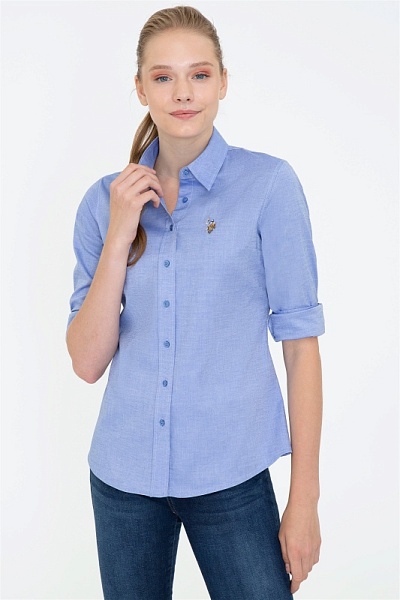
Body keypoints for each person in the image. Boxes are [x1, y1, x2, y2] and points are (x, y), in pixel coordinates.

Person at [66, 6, 325, 599]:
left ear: (223, 82)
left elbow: (301, 348)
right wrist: (120, 230)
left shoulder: (268, 187)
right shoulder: (103, 202)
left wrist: (304, 499)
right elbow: (86, 362)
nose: (183, 92)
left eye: (199, 74)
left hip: (231, 477)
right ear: (140, 88)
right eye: (163, 77)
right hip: (123, 480)